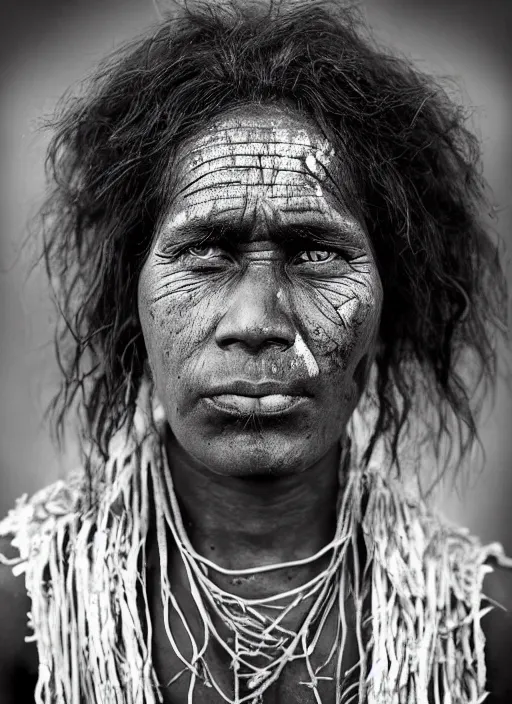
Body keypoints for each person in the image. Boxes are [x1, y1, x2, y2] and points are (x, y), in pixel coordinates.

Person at [0, 1, 511, 702]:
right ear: (133, 303)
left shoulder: (479, 633)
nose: (257, 321)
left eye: (315, 252)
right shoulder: (28, 615)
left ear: (395, 305)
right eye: (207, 252)